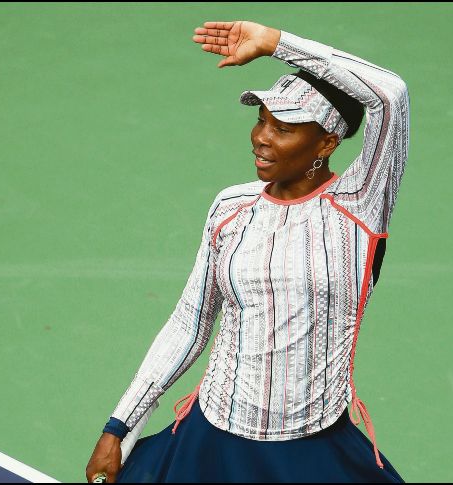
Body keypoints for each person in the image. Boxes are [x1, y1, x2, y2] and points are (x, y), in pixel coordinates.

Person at [85, 20, 409, 483]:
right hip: (211, 438)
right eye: (261, 120)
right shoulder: (231, 207)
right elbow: (190, 324)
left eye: (284, 127)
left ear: (326, 142)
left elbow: (390, 94)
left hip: (309, 446)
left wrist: (277, 44)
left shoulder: (360, 203)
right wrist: (118, 427)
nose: (262, 136)